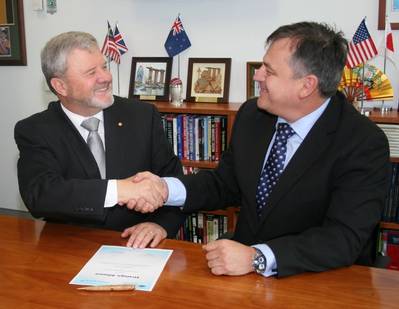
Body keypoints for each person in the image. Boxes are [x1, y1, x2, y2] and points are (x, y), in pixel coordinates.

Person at [125, 22, 390, 277]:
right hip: (241, 274)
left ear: (306, 85)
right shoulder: (253, 114)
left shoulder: (363, 143)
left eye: (269, 70)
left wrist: (258, 257)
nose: (257, 75)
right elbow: (224, 184)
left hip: (318, 279)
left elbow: (342, 239)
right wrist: (165, 189)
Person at [14, 31, 185, 248]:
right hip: (68, 247)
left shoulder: (142, 116)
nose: (105, 77)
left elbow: (174, 183)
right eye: (91, 72)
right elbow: (41, 195)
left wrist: (160, 225)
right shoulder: (35, 130)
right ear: (60, 86)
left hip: (135, 245)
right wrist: (120, 189)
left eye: (104, 67)